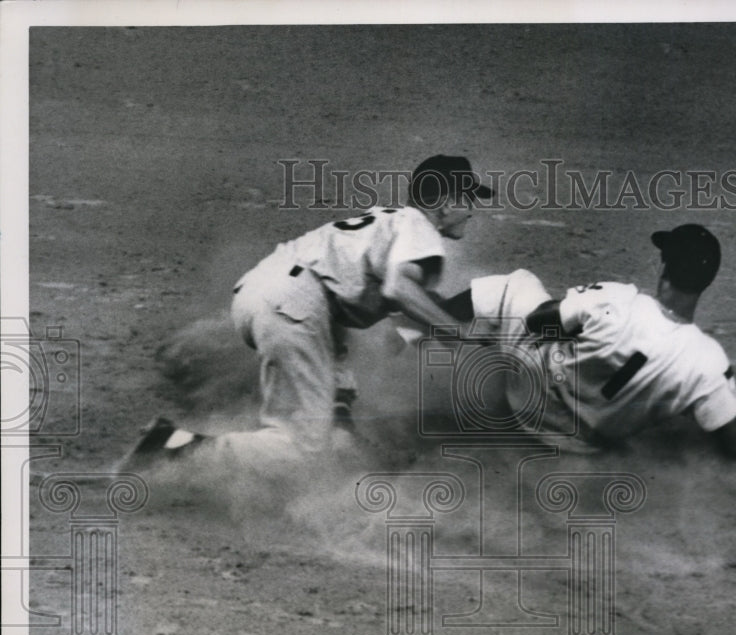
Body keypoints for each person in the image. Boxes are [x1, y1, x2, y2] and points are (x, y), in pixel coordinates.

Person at [119, 154, 494, 471]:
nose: (472, 211)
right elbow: (401, 289)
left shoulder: (386, 220)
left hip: (264, 295)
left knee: (339, 355)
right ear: (445, 203)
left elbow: (385, 319)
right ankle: (173, 446)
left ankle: (336, 418)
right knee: (303, 449)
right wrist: (459, 331)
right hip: (295, 304)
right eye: (469, 200)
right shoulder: (420, 230)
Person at [436, 223, 736, 457]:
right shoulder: (706, 360)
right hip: (583, 444)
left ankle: (413, 331)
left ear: (664, 268)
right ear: (707, 282)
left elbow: (539, 321)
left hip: (530, 397)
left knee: (516, 284)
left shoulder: (618, 301)